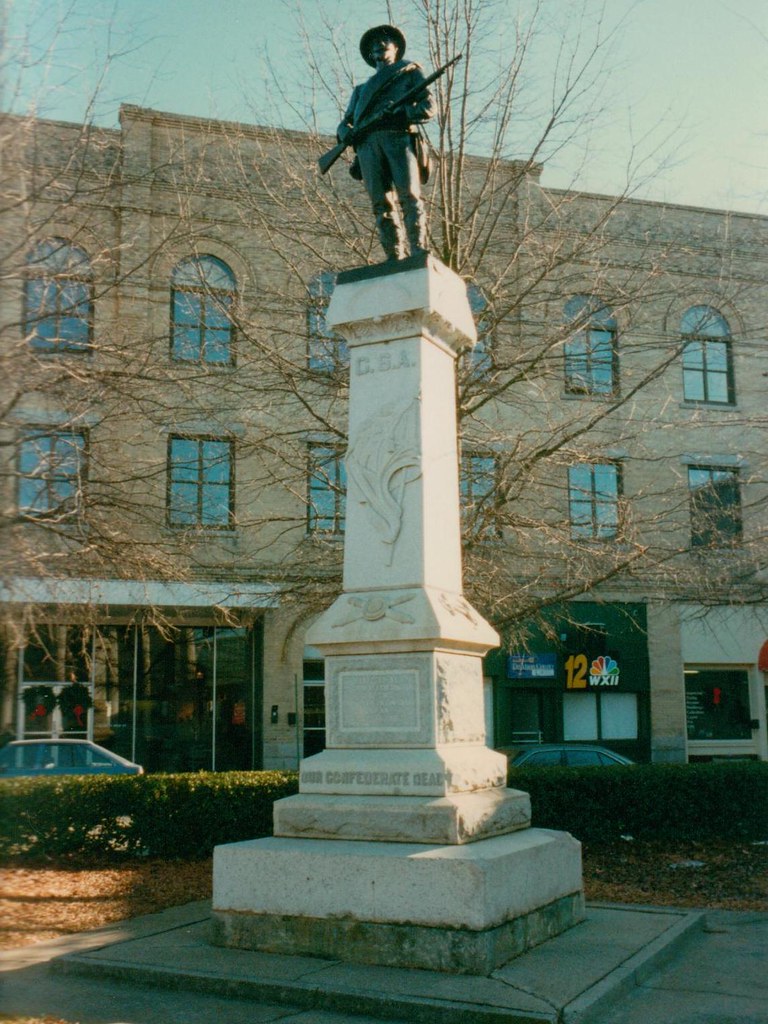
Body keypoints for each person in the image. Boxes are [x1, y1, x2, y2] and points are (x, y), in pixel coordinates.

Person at [337, 25, 436, 261]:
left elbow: (429, 107)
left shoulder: (409, 73)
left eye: (385, 41)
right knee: (381, 204)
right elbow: (345, 123)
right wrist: (345, 133)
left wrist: (402, 113)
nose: (380, 45)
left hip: (398, 138)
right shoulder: (360, 91)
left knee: (410, 197)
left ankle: (418, 250)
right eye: (375, 44)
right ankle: (394, 255)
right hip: (368, 147)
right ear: (371, 54)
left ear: (396, 48)